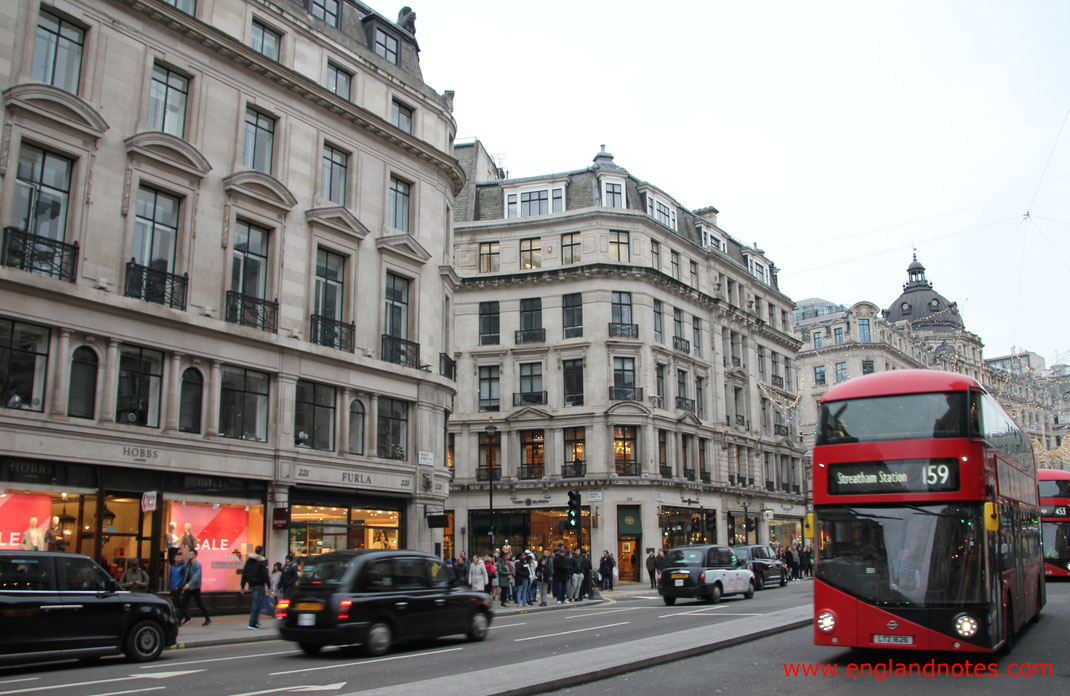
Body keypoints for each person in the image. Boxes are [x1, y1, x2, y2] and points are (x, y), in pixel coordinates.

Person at [240, 545, 270, 629]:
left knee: (257, 603)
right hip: (259, 585)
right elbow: (265, 574)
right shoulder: (261, 562)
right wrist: (269, 585)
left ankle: (256, 622)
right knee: (256, 604)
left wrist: (242, 586)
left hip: (252, 585)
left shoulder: (249, 562)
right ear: (262, 552)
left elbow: (244, 574)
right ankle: (252, 623)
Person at [180, 549, 210, 626]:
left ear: (195, 555)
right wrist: (184, 584)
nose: (189, 555)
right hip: (188, 587)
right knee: (183, 604)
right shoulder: (188, 564)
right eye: (189, 554)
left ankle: (207, 618)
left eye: (190, 554)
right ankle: (180, 619)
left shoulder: (197, 565)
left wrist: (189, 584)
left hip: (195, 587)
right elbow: (186, 575)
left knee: (199, 603)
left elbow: (196, 576)